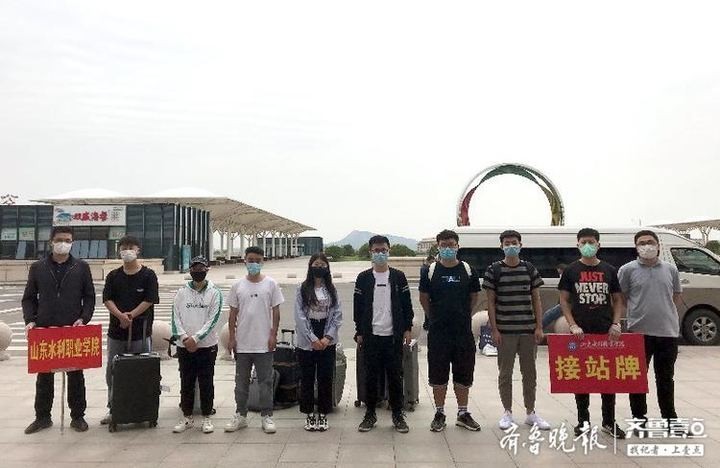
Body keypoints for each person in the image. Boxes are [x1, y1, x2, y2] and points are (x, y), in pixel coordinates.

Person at [22, 226, 95, 434]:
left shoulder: (81, 267)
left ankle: (78, 416)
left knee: (75, 375)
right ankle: (42, 417)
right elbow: (29, 298)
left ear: (73, 243)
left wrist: (83, 318)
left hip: (72, 328)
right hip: (46, 328)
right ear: (51, 242)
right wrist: (30, 320)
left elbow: (89, 296)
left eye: (68, 240)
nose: (63, 243)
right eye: (60, 239)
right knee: (44, 376)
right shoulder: (38, 267)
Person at [558, 227, 626, 439]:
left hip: (606, 332)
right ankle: (583, 421)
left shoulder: (609, 270)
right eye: (583, 242)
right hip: (580, 333)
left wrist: (616, 323)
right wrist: (572, 325)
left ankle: (609, 421)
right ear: (578, 245)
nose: (587, 245)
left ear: (598, 245)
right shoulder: (571, 270)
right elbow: (564, 301)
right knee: (581, 378)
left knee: (608, 377)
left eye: (591, 242)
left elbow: (617, 299)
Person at [484, 230, 551, 431]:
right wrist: (494, 330)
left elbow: (536, 299)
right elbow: (490, 303)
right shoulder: (494, 270)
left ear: (521, 245)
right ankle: (507, 412)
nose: (511, 246)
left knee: (529, 373)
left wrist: (539, 326)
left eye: (514, 242)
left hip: (528, 331)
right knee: (505, 374)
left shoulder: (529, 269)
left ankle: (531, 412)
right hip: (505, 332)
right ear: (501, 246)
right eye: (507, 243)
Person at [618, 230, 683, 434]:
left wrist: (664, 313)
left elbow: (676, 295)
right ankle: (639, 421)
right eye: (642, 243)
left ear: (658, 245)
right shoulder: (627, 270)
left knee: (666, 379)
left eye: (650, 242)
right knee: (637, 379)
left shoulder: (670, 269)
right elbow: (621, 297)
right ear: (636, 247)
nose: (647, 246)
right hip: (638, 333)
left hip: (668, 333)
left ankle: (670, 421)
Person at [419, 229, 482, 432]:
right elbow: (423, 298)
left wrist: (464, 314)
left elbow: (475, 296)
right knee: (438, 374)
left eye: (451, 245)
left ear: (457, 246)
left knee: (464, 373)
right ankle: (439, 413)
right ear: (438, 247)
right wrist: (434, 317)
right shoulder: (430, 271)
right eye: (443, 245)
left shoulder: (468, 270)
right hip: (438, 333)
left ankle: (463, 413)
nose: (447, 248)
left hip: (463, 333)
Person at [354, 235, 413, 433]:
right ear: (370, 252)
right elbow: (358, 307)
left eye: (383, 250)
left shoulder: (398, 277)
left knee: (395, 377)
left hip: (393, 336)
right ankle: (370, 414)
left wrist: (407, 328)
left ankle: (397, 414)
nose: (380, 253)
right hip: (371, 335)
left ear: (389, 251)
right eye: (376, 250)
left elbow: (406, 305)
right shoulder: (363, 278)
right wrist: (359, 331)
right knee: (371, 376)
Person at [225, 246, 284, 434]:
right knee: (241, 383)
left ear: (262, 261)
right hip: (243, 344)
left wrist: (273, 334)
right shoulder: (237, 286)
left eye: (258, 260)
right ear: (245, 260)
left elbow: (276, 312)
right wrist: (232, 338)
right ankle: (240, 415)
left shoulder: (271, 284)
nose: (254, 264)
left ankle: (267, 416)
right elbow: (232, 314)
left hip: (264, 344)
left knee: (265, 382)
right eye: (251, 260)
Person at [101, 236, 159, 425]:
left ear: (138, 250)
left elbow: (149, 300)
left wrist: (131, 316)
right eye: (123, 247)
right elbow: (107, 299)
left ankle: (141, 410)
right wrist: (120, 316)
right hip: (117, 332)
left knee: (141, 371)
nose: (127, 251)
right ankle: (114, 408)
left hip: (140, 333)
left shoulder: (148, 275)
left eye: (130, 247)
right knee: (113, 371)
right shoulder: (113, 276)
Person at [171, 256, 223, 434]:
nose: (198, 272)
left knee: (206, 381)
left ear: (207, 270)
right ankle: (187, 417)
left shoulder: (215, 293)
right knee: (186, 381)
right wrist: (185, 338)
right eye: (194, 268)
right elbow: (175, 317)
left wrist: (196, 338)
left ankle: (207, 416)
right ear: (190, 270)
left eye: (201, 269)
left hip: (207, 346)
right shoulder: (181, 292)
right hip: (184, 345)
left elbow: (213, 320)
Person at [294, 252, 342, 431]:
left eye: (323, 265)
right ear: (310, 266)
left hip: (326, 334)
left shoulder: (332, 289)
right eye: (316, 265)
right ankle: (309, 414)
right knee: (307, 377)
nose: (319, 268)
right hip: (307, 336)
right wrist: (312, 338)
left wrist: (327, 337)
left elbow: (337, 314)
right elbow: (299, 315)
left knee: (325, 376)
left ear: (327, 268)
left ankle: (323, 413)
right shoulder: (302, 288)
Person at [541, 264, 567, 329]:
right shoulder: (564, 282)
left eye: (560, 273)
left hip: (569, 304)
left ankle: (539, 327)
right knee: (550, 313)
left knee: (550, 313)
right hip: (565, 303)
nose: (560, 276)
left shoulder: (569, 280)